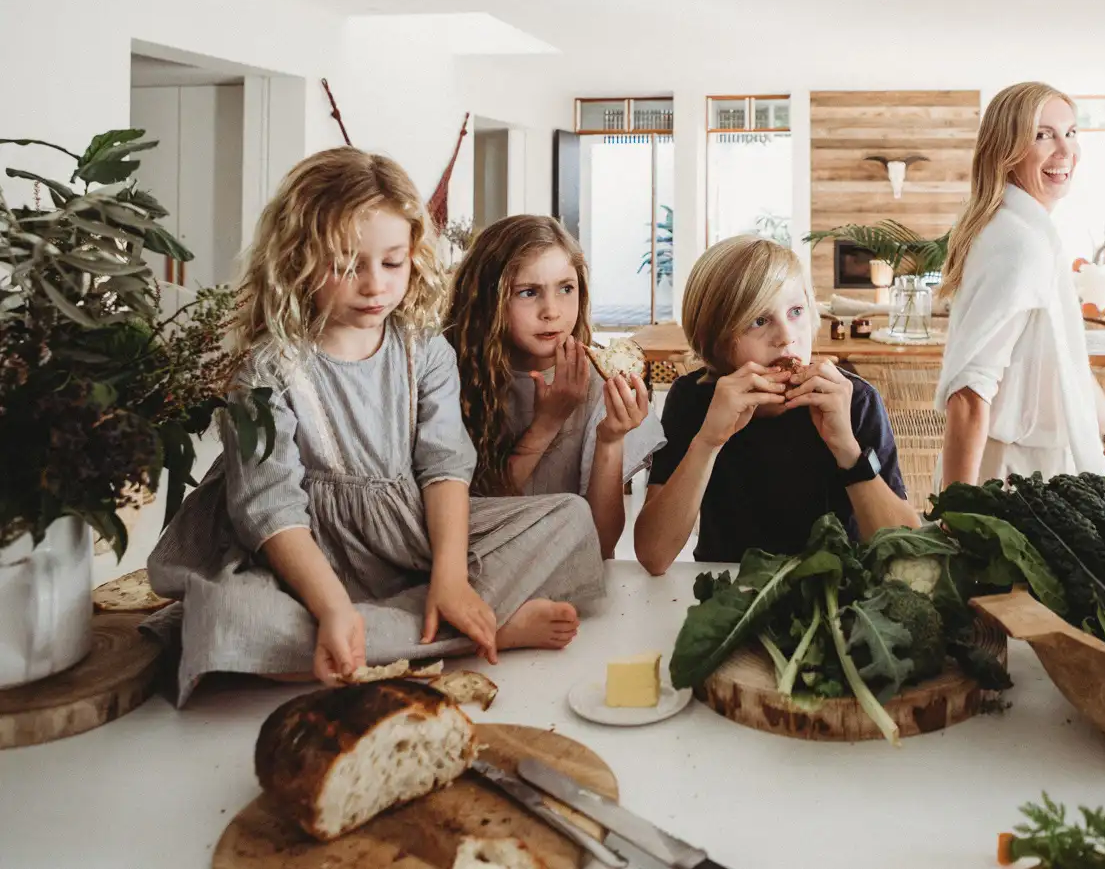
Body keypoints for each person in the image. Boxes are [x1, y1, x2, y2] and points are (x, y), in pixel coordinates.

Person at [145, 147, 604, 706]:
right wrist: (332, 607)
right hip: (303, 553)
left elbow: (444, 469)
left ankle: (415, 623)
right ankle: (467, 632)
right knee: (227, 621)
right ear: (296, 258)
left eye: (392, 263)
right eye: (345, 264)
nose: (373, 285)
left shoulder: (425, 352)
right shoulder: (267, 369)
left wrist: (452, 578)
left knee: (569, 519)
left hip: (407, 535)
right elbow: (269, 507)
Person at [633, 235, 918, 573]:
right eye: (759, 320)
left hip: (839, 589)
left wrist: (847, 449)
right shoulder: (694, 398)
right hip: (730, 593)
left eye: (795, 311)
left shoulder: (853, 399)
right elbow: (654, 555)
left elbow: (908, 554)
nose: (786, 336)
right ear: (715, 340)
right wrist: (708, 441)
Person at [936, 81, 1105, 488]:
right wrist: (958, 511)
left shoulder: (1024, 232)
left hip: (1035, 467)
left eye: (1071, 132)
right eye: (1043, 135)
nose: (1065, 150)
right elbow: (971, 390)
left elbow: (1060, 361)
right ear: (1005, 151)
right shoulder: (1020, 245)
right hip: (1012, 478)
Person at [445, 215, 664, 558]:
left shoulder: (602, 385)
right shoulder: (452, 377)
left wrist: (611, 439)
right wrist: (547, 423)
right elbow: (470, 522)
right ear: (488, 300)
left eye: (566, 288)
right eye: (528, 292)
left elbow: (601, 545)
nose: (552, 311)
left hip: (565, 574)